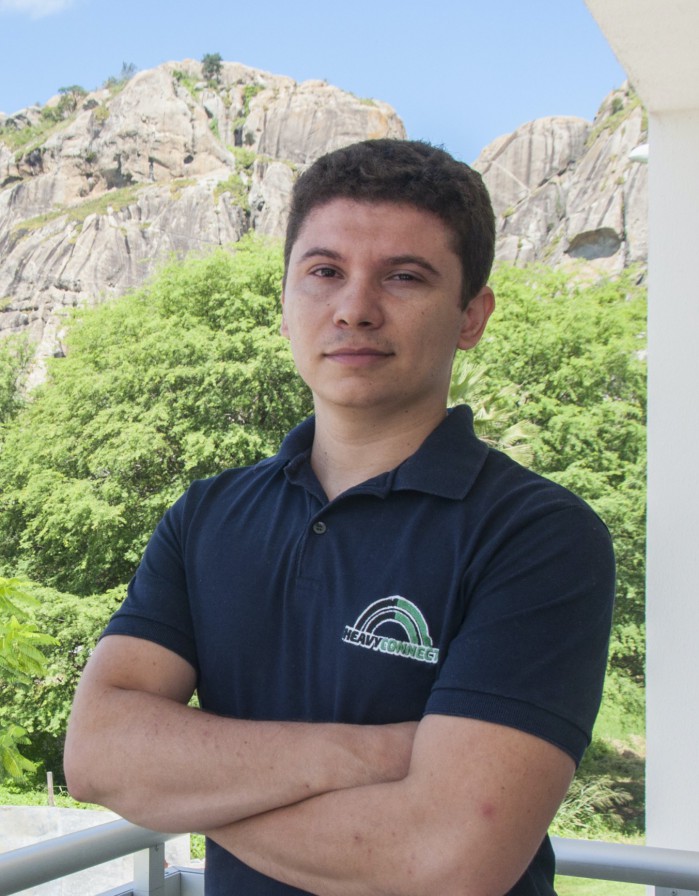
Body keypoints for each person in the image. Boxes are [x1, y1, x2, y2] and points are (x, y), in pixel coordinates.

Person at [64, 139, 615, 896]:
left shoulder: (539, 534)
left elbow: (446, 862)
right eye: (324, 272)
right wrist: (375, 755)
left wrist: (180, 786)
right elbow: (97, 754)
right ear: (285, 301)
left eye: (404, 276)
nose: (355, 308)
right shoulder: (206, 515)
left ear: (471, 316)